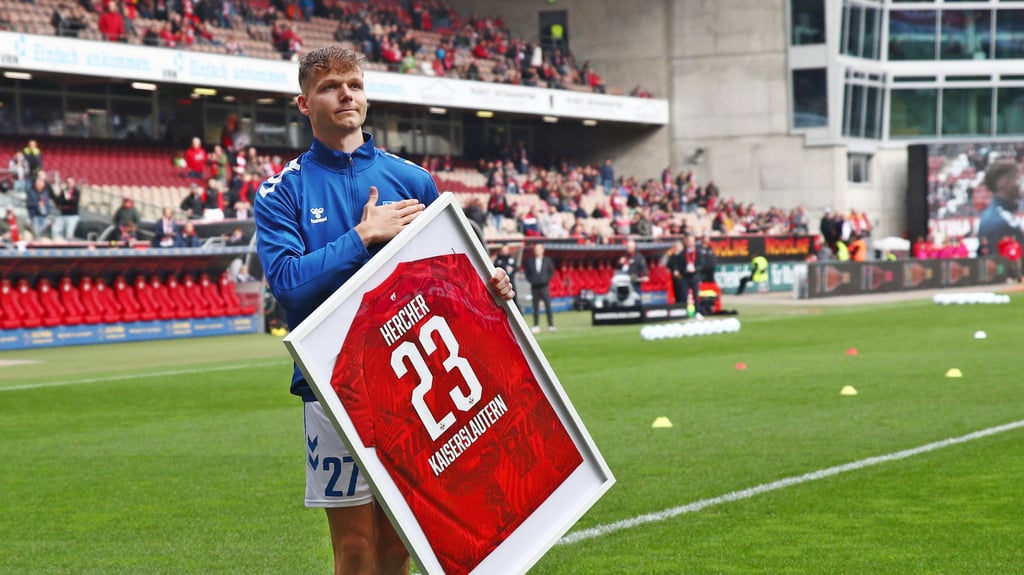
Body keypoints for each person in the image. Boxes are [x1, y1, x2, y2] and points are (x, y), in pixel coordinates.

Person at [253, 46, 514, 575]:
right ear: (304, 103)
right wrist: (362, 236)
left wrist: (490, 286)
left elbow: (449, 278)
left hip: (411, 383)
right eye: (329, 86)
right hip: (333, 384)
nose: (345, 94)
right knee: (354, 547)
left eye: (353, 84)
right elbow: (288, 286)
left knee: (401, 541)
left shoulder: (413, 180)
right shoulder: (283, 191)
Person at [977, 159, 1024, 248]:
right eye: (1017, 178)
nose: (1021, 184)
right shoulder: (999, 220)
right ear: (1003, 182)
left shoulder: (1004, 214)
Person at [523, 242, 555, 333]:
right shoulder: (530, 261)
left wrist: (545, 279)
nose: (537, 251)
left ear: (542, 250)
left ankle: (551, 325)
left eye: (539, 249)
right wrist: (532, 280)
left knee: (548, 306)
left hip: (544, 286)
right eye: (536, 249)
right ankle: (536, 325)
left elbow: (551, 272)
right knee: (535, 307)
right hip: (534, 287)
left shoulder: (547, 261)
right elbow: (527, 274)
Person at [52, 176, 81, 241]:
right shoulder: (64, 191)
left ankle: (68, 246)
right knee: (55, 228)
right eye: (68, 182)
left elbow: (74, 202)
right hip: (63, 214)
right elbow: (59, 201)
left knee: (69, 233)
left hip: (72, 216)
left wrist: (67, 199)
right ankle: (59, 242)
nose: (69, 184)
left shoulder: (76, 192)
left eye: (71, 182)